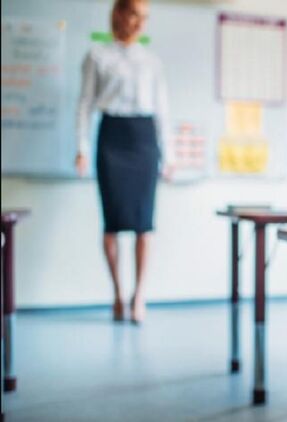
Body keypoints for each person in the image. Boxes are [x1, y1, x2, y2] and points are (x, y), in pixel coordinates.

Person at [75, 0, 172, 323]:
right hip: (112, 138)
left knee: (144, 223)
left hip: (144, 140)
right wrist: (82, 147)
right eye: (135, 15)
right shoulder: (97, 56)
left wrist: (169, 155)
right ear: (119, 14)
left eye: (145, 17)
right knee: (112, 223)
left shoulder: (152, 61)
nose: (140, 23)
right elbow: (85, 104)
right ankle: (117, 293)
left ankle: (139, 295)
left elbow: (163, 110)